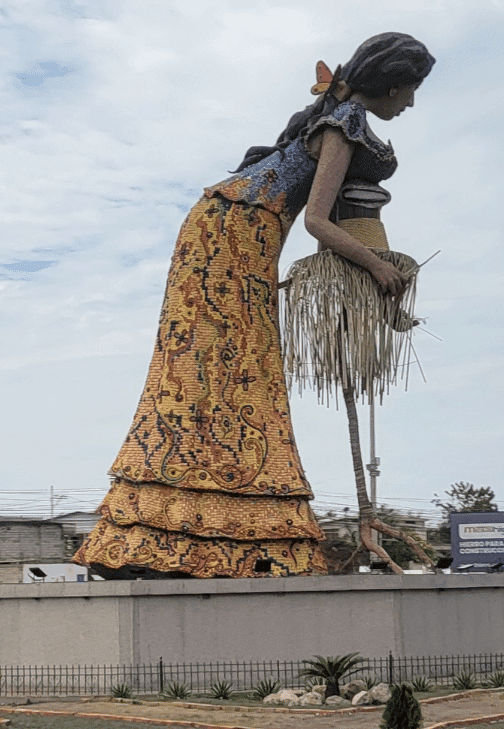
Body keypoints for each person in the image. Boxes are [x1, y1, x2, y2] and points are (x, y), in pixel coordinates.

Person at [74, 32, 435, 579]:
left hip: (233, 227)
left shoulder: (338, 120)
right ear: (389, 83)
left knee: (217, 371)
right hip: (236, 232)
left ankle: (193, 529)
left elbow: (336, 222)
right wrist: (379, 267)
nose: (409, 103)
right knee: (232, 369)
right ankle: (186, 531)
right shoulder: (345, 124)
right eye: (409, 90)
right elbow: (316, 221)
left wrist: (366, 280)